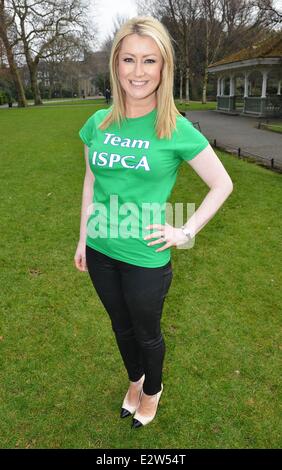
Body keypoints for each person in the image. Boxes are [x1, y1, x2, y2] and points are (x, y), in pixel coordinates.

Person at [74, 16, 233, 429]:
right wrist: (81, 240)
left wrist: (184, 232)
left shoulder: (175, 128)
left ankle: (151, 391)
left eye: (149, 61)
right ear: (116, 64)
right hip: (101, 249)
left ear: (164, 68)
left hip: (146, 256)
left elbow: (222, 184)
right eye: (129, 60)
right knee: (120, 328)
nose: (138, 72)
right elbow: (92, 183)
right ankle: (135, 380)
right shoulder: (99, 123)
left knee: (146, 335)